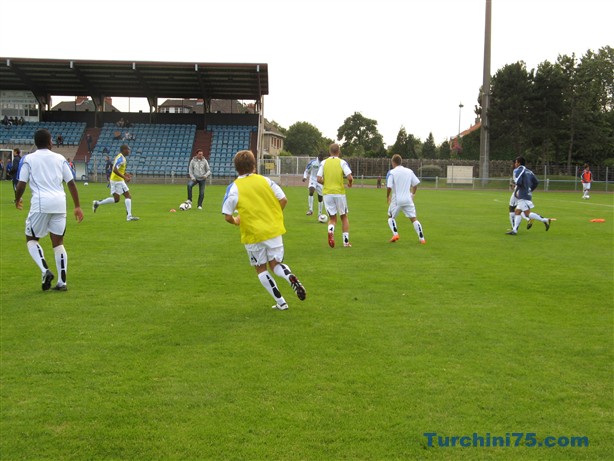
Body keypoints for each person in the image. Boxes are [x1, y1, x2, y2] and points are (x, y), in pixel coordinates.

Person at [222, 150, 306, 311]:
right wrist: (273, 216)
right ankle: (289, 277)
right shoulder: (266, 181)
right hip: (273, 230)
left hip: (253, 234)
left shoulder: (234, 187)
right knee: (276, 264)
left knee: (261, 268)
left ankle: (281, 302)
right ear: (254, 165)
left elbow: (227, 216)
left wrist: (236, 220)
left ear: (236, 168)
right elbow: (283, 199)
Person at [14, 128, 84, 291]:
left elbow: (21, 183)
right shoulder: (60, 158)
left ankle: (45, 270)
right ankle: (62, 282)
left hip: (41, 203)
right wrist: (78, 206)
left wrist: (17, 199)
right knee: (58, 242)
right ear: (49, 141)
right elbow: (71, 183)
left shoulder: (28, 159)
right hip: (60, 203)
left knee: (31, 238)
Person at [317, 143, 353, 248]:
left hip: (327, 193)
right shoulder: (342, 162)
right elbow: (349, 177)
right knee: (344, 216)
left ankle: (330, 230)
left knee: (332, 218)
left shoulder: (324, 163)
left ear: (329, 152)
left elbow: (318, 178)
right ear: (339, 151)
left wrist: (326, 183)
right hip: (339, 193)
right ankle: (346, 242)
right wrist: (350, 184)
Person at [92, 144, 139, 221]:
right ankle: (129, 216)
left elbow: (118, 169)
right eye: (128, 149)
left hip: (114, 180)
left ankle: (97, 203)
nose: (129, 151)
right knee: (128, 196)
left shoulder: (120, 157)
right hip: (118, 180)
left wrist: (125, 173)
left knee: (116, 199)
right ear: (124, 150)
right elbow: (114, 169)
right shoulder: (121, 159)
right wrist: (125, 178)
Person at [506, 156, 552, 235]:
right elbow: (536, 182)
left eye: (516, 162)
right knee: (517, 211)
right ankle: (514, 230)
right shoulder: (529, 171)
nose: (515, 164)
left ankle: (545, 220)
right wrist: (530, 190)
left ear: (519, 163)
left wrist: (517, 186)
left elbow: (519, 182)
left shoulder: (519, 170)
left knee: (527, 214)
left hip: (523, 194)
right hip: (526, 194)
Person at [386, 154, 426, 244]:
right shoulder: (409, 171)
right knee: (414, 219)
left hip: (397, 199)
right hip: (408, 198)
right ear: (401, 162)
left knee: (390, 217)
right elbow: (415, 184)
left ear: (393, 162)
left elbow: (389, 187)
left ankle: (395, 234)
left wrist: (387, 196)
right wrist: (413, 194)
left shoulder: (392, 172)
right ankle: (422, 238)